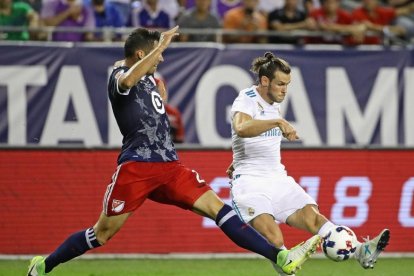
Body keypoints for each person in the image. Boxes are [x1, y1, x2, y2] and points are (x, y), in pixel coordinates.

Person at [27, 26, 321, 276]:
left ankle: (279, 257)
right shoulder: (119, 77)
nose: (163, 57)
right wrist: (160, 45)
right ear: (143, 54)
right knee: (101, 234)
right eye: (158, 52)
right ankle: (44, 265)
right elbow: (127, 78)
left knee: (219, 210)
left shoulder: (151, 81)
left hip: (169, 166)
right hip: (137, 168)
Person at [226, 51, 390, 276]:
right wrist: (278, 122)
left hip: (278, 179)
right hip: (251, 184)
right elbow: (242, 128)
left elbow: (255, 142)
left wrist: (237, 160)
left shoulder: (273, 102)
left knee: (314, 218)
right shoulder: (247, 97)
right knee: (275, 238)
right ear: (265, 81)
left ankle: (361, 251)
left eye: (287, 84)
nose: (284, 89)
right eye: (280, 84)